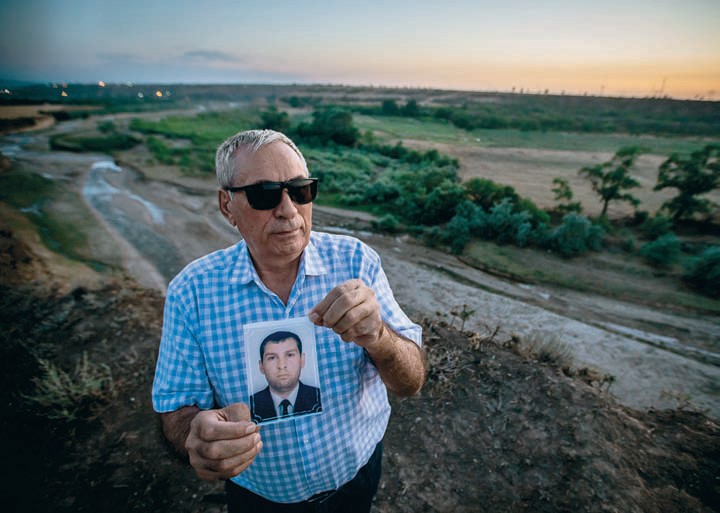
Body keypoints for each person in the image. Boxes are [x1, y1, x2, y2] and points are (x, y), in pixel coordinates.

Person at [152, 129, 426, 512]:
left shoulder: (356, 262)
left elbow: (411, 381)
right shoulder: (191, 293)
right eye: (264, 194)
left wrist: (380, 337)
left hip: (356, 478)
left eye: (300, 190)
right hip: (259, 496)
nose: (288, 209)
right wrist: (195, 436)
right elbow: (175, 408)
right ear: (227, 206)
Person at [250, 330, 322, 423]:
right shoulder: (250, 405)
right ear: (261, 366)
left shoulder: (320, 397)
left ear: (302, 360)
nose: (281, 365)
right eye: (272, 357)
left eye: (290, 355)